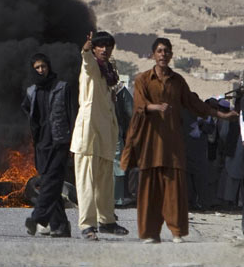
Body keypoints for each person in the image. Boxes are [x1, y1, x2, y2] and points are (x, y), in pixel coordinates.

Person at [121, 38, 237, 243]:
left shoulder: (178, 81)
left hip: (173, 143)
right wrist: (155, 107)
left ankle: (176, 231)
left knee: (174, 190)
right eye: (159, 51)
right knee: (150, 190)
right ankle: (149, 233)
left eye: (166, 51)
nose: (163, 54)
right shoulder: (142, 80)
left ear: (171, 55)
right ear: (153, 55)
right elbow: (139, 104)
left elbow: (195, 104)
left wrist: (221, 115)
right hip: (150, 143)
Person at [70, 31, 129, 241]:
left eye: (108, 46)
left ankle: (107, 221)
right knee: (87, 182)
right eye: (100, 46)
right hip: (89, 135)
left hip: (106, 135)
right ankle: (87, 225)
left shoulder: (108, 72)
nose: (104, 50)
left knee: (105, 182)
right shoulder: (92, 67)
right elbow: (86, 61)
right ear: (95, 48)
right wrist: (86, 48)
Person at [22, 53, 75, 237]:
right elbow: (27, 110)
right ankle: (60, 226)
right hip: (41, 144)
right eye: (37, 67)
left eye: (43, 66)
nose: (41, 70)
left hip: (59, 142)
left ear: (49, 67)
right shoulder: (32, 91)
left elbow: (72, 115)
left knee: (51, 181)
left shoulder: (62, 88)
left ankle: (37, 217)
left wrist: (73, 142)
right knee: (49, 183)